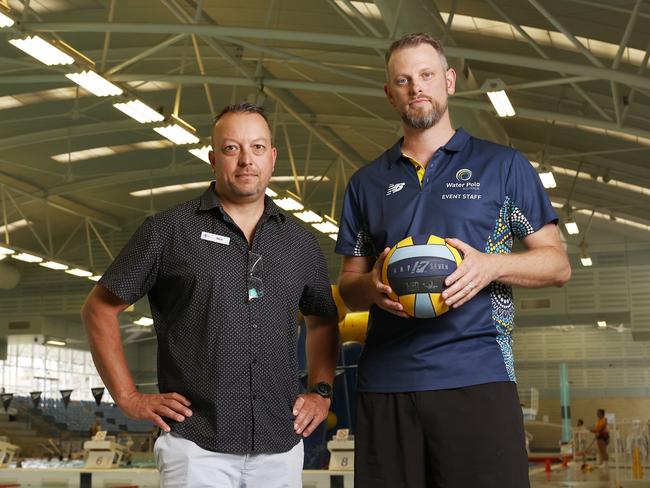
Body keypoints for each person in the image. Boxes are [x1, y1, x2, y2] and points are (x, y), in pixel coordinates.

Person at [335, 33, 571, 488]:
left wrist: (491, 265)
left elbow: (557, 264)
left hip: (477, 373)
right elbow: (348, 284)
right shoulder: (366, 183)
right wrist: (375, 288)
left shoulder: (501, 166)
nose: (415, 88)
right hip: (387, 383)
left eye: (425, 76)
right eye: (402, 80)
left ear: (449, 81)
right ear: (390, 93)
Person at [82, 102, 340, 487]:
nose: (245, 161)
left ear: (272, 158)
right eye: (231, 148)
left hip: (281, 446)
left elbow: (323, 319)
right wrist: (129, 397)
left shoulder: (300, 242)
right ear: (213, 158)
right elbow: (98, 309)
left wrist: (321, 390)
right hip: (196, 447)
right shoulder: (168, 231)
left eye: (256, 148)